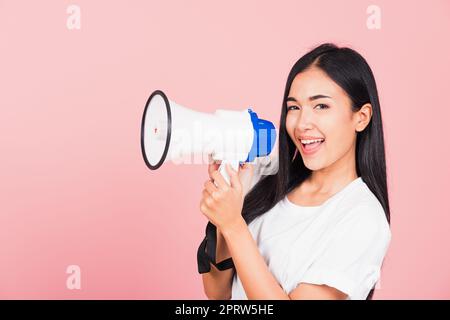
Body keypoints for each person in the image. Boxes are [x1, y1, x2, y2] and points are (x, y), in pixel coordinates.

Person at [198, 43, 391, 300]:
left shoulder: (364, 218)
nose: (302, 124)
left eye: (321, 106)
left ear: (361, 117)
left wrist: (234, 225)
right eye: (294, 107)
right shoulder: (266, 177)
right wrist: (223, 218)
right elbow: (218, 294)